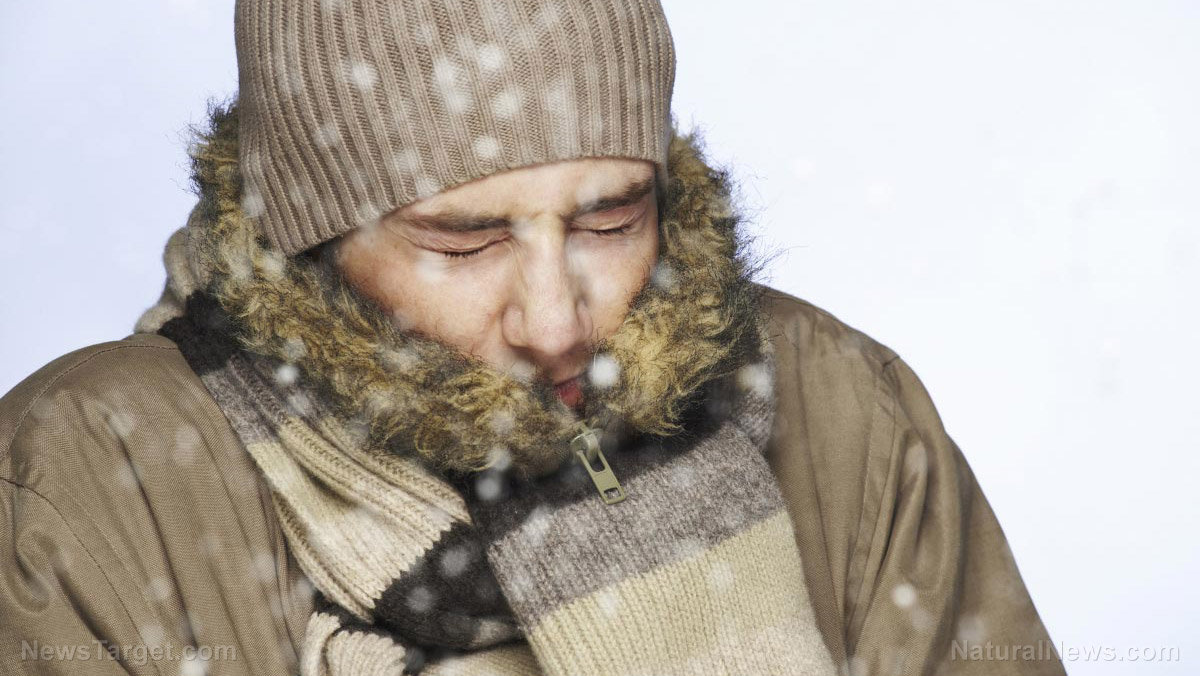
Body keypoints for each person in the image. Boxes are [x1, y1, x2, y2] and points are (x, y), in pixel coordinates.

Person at [0, 1, 1065, 674]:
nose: (557, 324)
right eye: (463, 244)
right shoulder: (92, 478)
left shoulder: (836, 404)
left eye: (611, 222)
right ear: (305, 239)